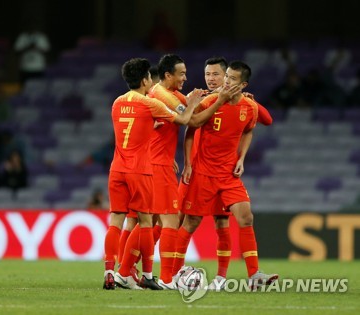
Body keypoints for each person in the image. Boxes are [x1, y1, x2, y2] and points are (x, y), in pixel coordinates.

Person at [175, 61, 278, 290]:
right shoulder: (210, 101)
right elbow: (190, 127)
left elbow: (250, 129)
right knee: (190, 222)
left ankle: (252, 275)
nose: (225, 81)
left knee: (244, 218)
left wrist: (241, 158)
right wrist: (189, 163)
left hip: (229, 175)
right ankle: (173, 274)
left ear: (243, 84)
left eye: (230, 78)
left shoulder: (249, 107)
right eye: (226, 77)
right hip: (202, 173)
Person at [103, 57, 203, 290]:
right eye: (150, 76)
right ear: (145, 79)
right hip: (141, 169)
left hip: (117, 168)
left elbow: (131, 129)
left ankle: (113, 270)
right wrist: (192, 102)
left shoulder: (117, 103)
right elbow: (186, 120)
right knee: (154, 221)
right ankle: (152, 275)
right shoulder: (151, 103)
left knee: (119, 222)